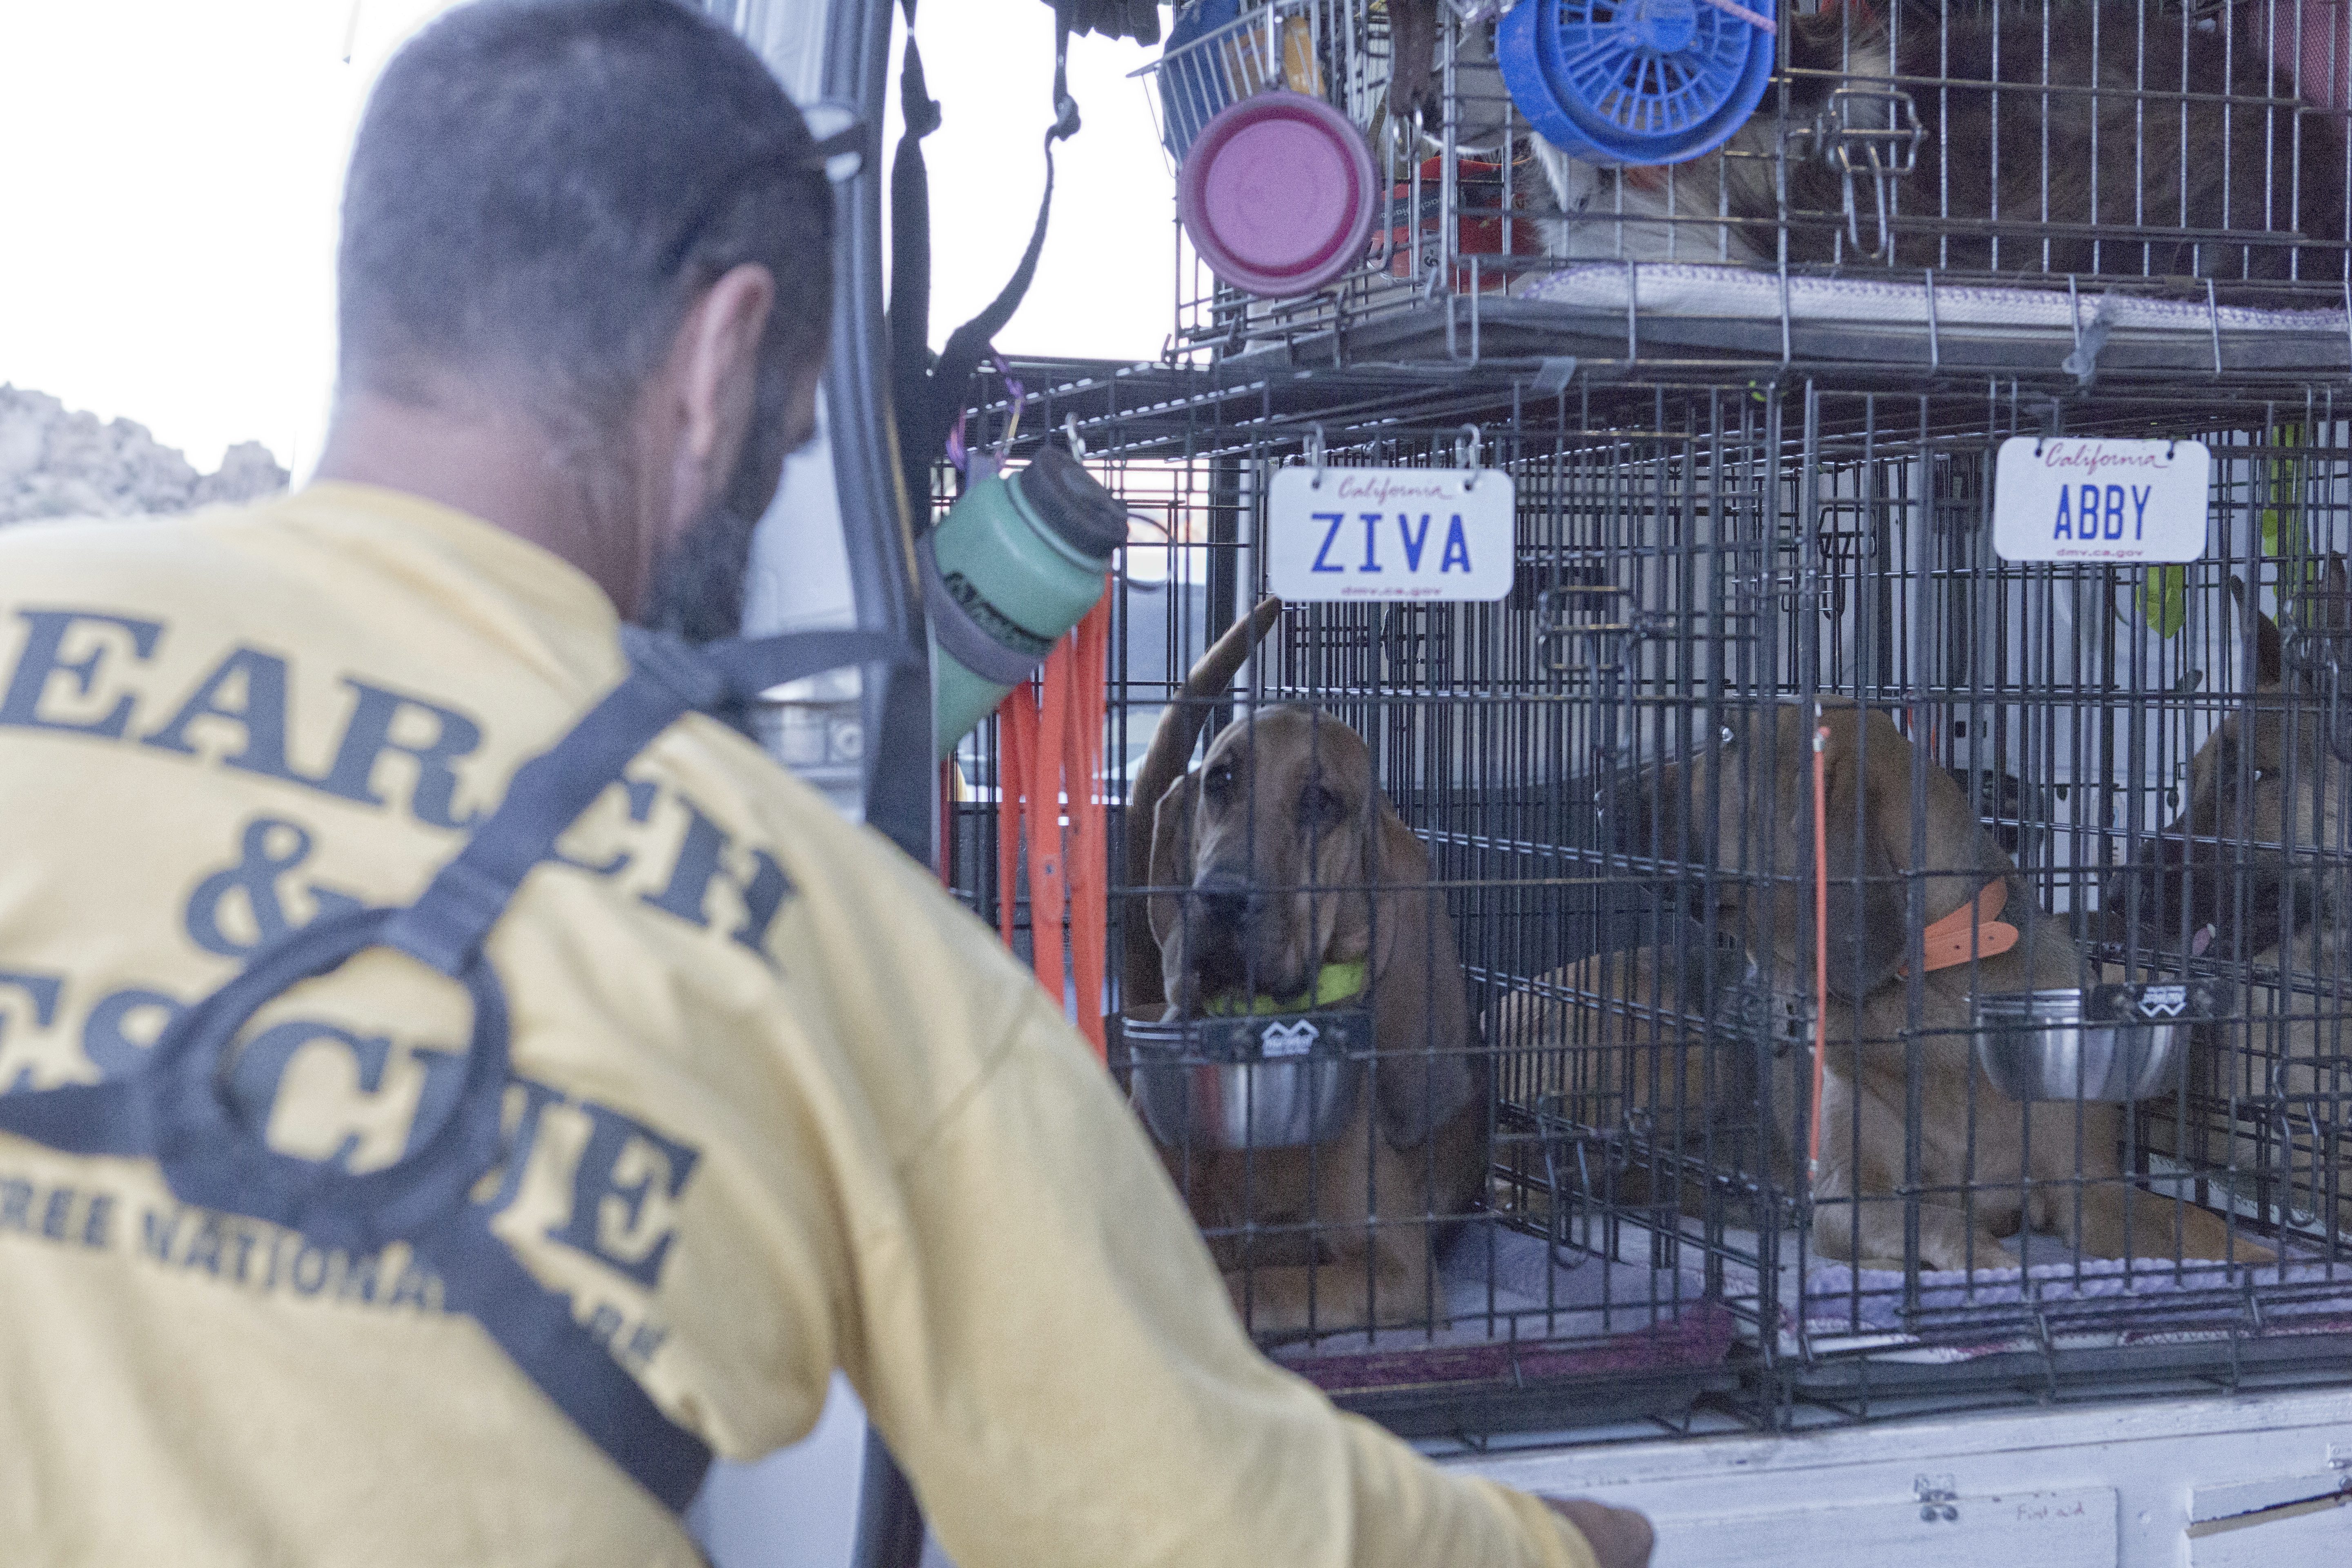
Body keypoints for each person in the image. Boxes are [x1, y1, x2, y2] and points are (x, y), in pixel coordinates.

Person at [0, 4, 1653, 1566]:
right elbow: (1199, 1518)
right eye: (801, 424)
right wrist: (1549, 1542)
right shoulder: (840, 946)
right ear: (725, 358)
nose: (783, 455)